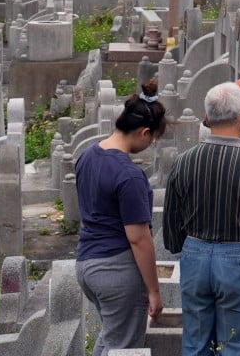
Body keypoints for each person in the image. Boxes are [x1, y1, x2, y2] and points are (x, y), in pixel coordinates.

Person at [164, 82, 240, 356]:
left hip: (194, 254)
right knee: (235, 345)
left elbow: (172, 223)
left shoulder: (183, 162)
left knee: (196, 344)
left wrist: (183, 250)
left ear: (207, 119)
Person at [75, 80, 168, 356]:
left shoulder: (87, 155)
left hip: (86, 264)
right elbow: (139, 239)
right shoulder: (129, 175)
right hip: (116, 270)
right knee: (124, 348)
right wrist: (154, 290)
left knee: (110, 339)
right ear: (144, 132)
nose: (150, 145)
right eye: (152, 140)